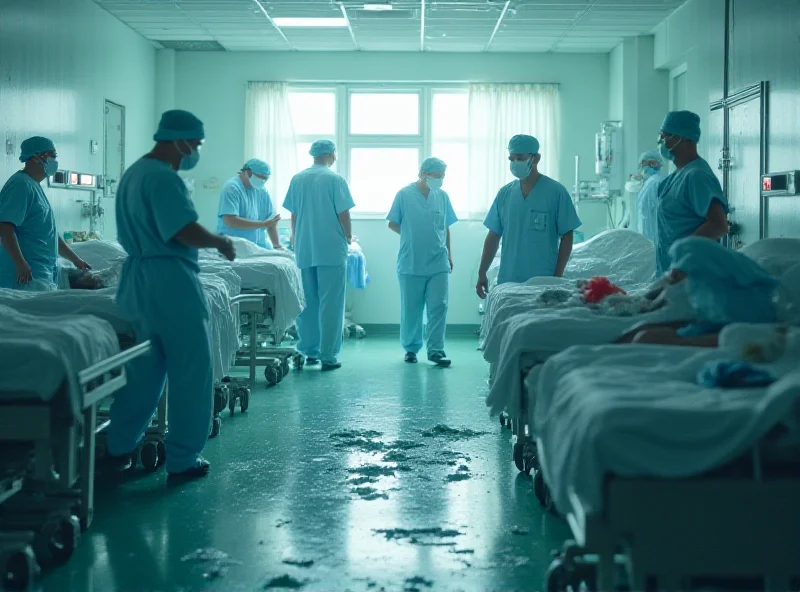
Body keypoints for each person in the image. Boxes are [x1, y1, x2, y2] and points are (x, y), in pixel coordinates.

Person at [106, 110, 236, 481]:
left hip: (138, 280)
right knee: (191, 370)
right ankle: (183, 459)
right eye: (194, 143)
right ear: (176, 139)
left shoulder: (134, 174)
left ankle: (119, 447)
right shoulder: (163, 179)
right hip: (170, 280)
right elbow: (180, 230)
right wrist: (219, 241)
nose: (193, 151)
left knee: (144, 372)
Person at [476, 134, 581, 298]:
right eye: (511, 158)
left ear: (536, 158)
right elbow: (493, 235)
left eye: (520, 158)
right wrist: (482, 271)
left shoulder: (555, 192)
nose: (514, 163)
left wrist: (557, 277)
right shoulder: (505, 194)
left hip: (543, 282)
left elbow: (567, 235)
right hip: (508, 281)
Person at [283, 139, 355, 371]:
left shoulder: (298, 179)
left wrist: (296, 236)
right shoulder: (334, 179)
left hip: (305, 247)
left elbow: (294, 215)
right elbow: (343, 214)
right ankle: (328, 356)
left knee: (308, 302)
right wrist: (349, 237)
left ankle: (309, 351)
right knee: (331, 303)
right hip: (331, 249)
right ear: (332, 155)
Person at [387, 157, 458, 367]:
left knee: (439, 306)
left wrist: (450, 254)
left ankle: (436, 350)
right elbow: (392, 223)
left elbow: (445, 227)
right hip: (411, 261)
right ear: (424, 174)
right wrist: (410, 235)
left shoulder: (442, 196)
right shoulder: (404, 195)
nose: (441, 180)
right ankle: (411, 348)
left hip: (438, 261)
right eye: (437, 176)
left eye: (443, 176)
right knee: (412, 308)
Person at [0, 136, 91, 290]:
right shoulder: (20, 186)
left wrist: (75, 260)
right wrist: (20, 263)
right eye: (52, 156)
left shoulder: (33, 186)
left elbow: (51, 235)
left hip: (41, 273)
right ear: (36, 157)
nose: (55, 161)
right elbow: (5, 227)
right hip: (25, 275)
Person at [655, 110, 729, 276]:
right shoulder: (673, 178)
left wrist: (684, 256)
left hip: (692, 273)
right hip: (672, 272)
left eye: (665, 136)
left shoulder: (697, 175)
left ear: (683, 138)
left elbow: (719, 225)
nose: (661, 142)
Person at [216, 158, 281, 249]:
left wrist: (277, 246)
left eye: (265, 179)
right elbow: (230, 220)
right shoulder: (232, 188)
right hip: (234, 245)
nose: (262, 181)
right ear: (247, 172)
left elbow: (270, 223)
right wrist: (263, 224)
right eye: (260, 177)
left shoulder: (262, 191)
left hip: (258, 245)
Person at [630, 150, 664, 244]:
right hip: (646, 235)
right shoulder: (649, 183)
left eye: (642, 163)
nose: (641, 167)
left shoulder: (654, 183)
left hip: (652, 235)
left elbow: (648, 210)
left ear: (653, 163)